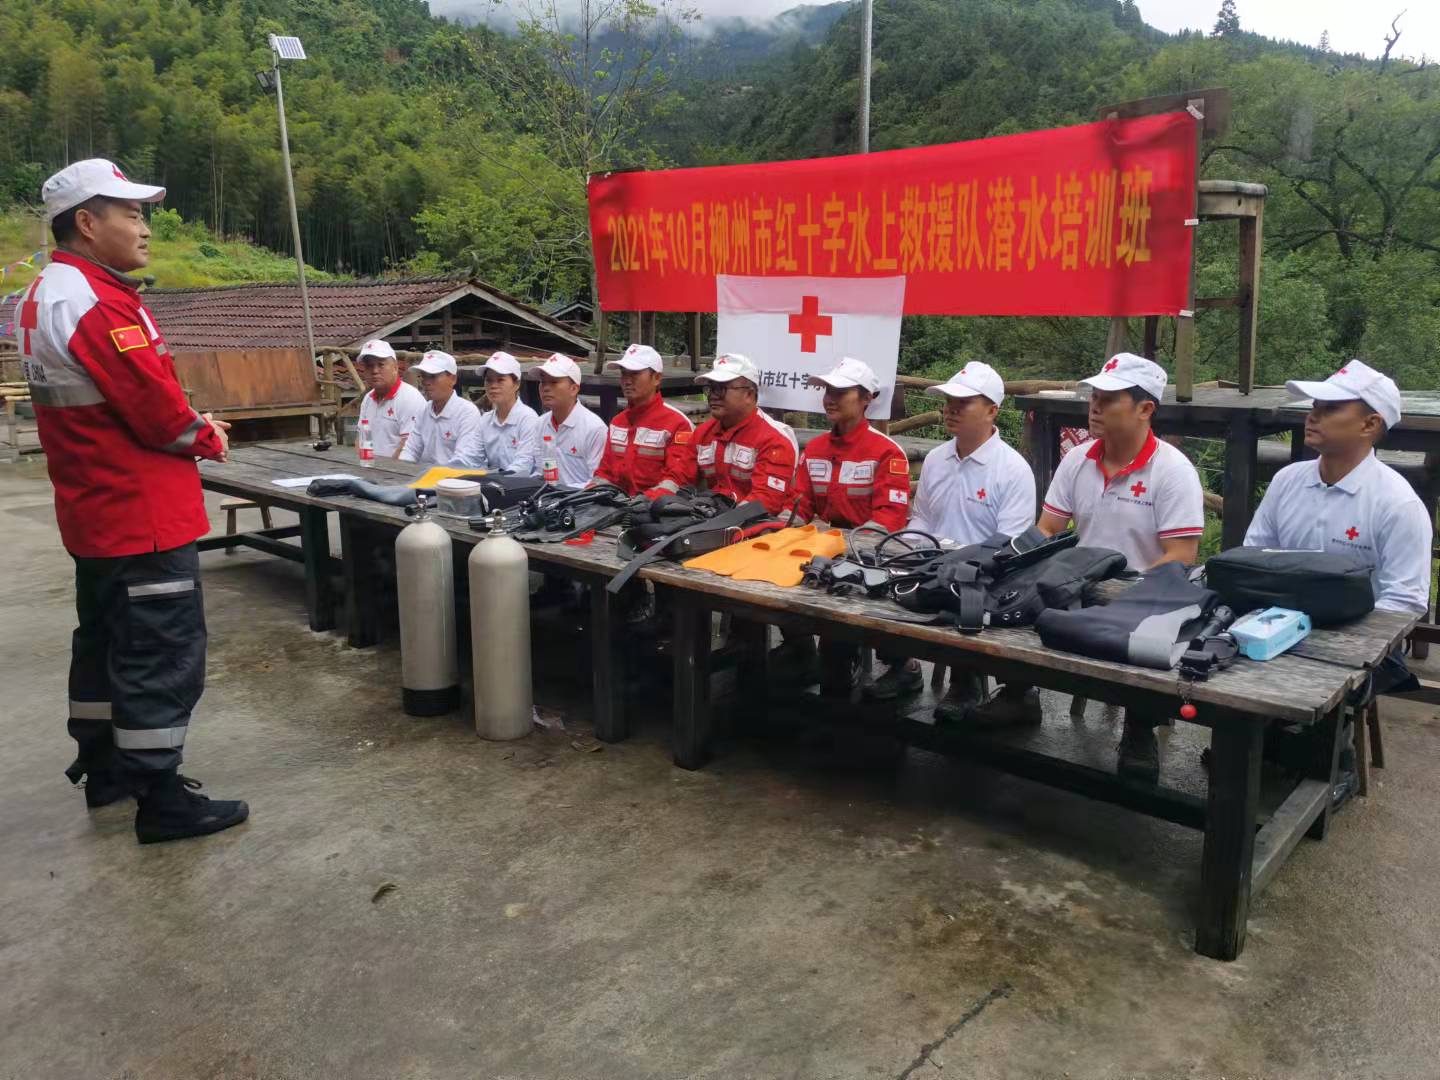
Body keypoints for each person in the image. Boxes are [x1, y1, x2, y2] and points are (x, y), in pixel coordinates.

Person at [15, 159, 247, 843]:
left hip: (94, 509)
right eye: (132, 214)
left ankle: (106, 768)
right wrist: (205, 433)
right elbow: (156, 412)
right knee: (159, 652)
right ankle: (161, 798)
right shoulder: (98, 303)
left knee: (103, 643)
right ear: (88, 223)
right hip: (141, 513)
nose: (145, 228)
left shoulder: (41, 293)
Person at [1246, 361, 1430, 781]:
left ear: (1370, 425)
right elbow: (1255, 555)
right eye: (1315, 405)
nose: (1313, 415)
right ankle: (1255, 745)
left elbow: (1404, 602)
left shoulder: (1397, 504)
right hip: (1280, 620)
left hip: (1362, 638)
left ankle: (1328, 758)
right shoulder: (1288, 481)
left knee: (1321, 679)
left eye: (1330, 408)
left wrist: (1339, 642)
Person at [1035, 352, 1205, 778]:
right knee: (1020, 602)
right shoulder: (1077, 460)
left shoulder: (1173, 471)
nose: (1094, 406)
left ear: (1145, 409)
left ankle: (1139, 727)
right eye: (1094, 396)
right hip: (1077, 584)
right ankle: (1017, 693)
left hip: (1142, 595)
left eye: (1108, 399)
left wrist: (1132, 597)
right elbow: (1048, 529)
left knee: (1146, 637)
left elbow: (1182, 555)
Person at [905, 362, 1038, 714]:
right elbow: (922, 518)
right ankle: (901, 667)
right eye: (949, 401)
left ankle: (967, 682)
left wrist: (961, 566)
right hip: (932, 567)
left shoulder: (1013, 470)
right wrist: (917, 553)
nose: (951, 408)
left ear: (992, 411)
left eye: (963, 402)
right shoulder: (936, 459)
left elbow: (1010, 545)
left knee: (966, 605)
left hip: (986, 579)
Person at [779, 357, 912, 696]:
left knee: (837, 651)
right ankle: (800, 650)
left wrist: (843, 550)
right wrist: (781, 533)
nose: (830, 399)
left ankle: (899, 666)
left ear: (867, 398)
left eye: (840, 392)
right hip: (824, 551)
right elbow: (799, 506)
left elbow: (889, 519)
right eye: (827, 391)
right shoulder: (815, 449)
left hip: (874, 556)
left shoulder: (887, 452)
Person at [655, 352, 798, 514]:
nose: (713, 396)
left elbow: (764, 502)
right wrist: (651, 500)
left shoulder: (774, 439)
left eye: (721, 389)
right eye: (710, 389)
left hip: (759, 524)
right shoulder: (703, 433)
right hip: (713, 516)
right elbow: (679, 478)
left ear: (749, 394)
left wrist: (718, 522)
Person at [593, 343, 694, 495]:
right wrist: (590, 494)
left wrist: (643, 502)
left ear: (657, 378)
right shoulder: (617, 422)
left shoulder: (678, 424)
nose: (627, 381)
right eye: (624, 374)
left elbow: (677, 480)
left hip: (656, 507)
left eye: (635, 374)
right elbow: (604, 473)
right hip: (617, 504)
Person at [532, 352, 607, 488]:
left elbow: (597, 483)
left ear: (573, 389)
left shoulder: (594, 428)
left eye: (554, 382)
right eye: (543, 382)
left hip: (581, 499)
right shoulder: (540, 424)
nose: (546, 388)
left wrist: (562, 492)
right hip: (545, 496)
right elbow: (538, 472)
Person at [399, 349, 483, 467]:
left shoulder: (467, 412)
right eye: (423, 376)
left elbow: (463, 460)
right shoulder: (424, 410)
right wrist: (402, 469)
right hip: (424, 475)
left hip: (454, 477)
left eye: (433, 376)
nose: (426, 382)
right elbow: (411, 450)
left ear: (453, 379)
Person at [356, 339, 425, 460]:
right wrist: (362, 464)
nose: (375, 371)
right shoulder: (368, 399)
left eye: (381, 365)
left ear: (395, 367)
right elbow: (361, 439)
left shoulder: (410, 398)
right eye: (369, 366)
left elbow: (408, 446)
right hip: (371, 467)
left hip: (401, 469)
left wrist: (387, 469)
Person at [474, 350, 540, 474]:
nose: (493, 386)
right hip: (492, 482)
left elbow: (523, 465)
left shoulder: (528, 419)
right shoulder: (484, 421)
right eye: (489, 380)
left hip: (520, 484)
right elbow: (474, 458)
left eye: (500, 380)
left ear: (516, 384)